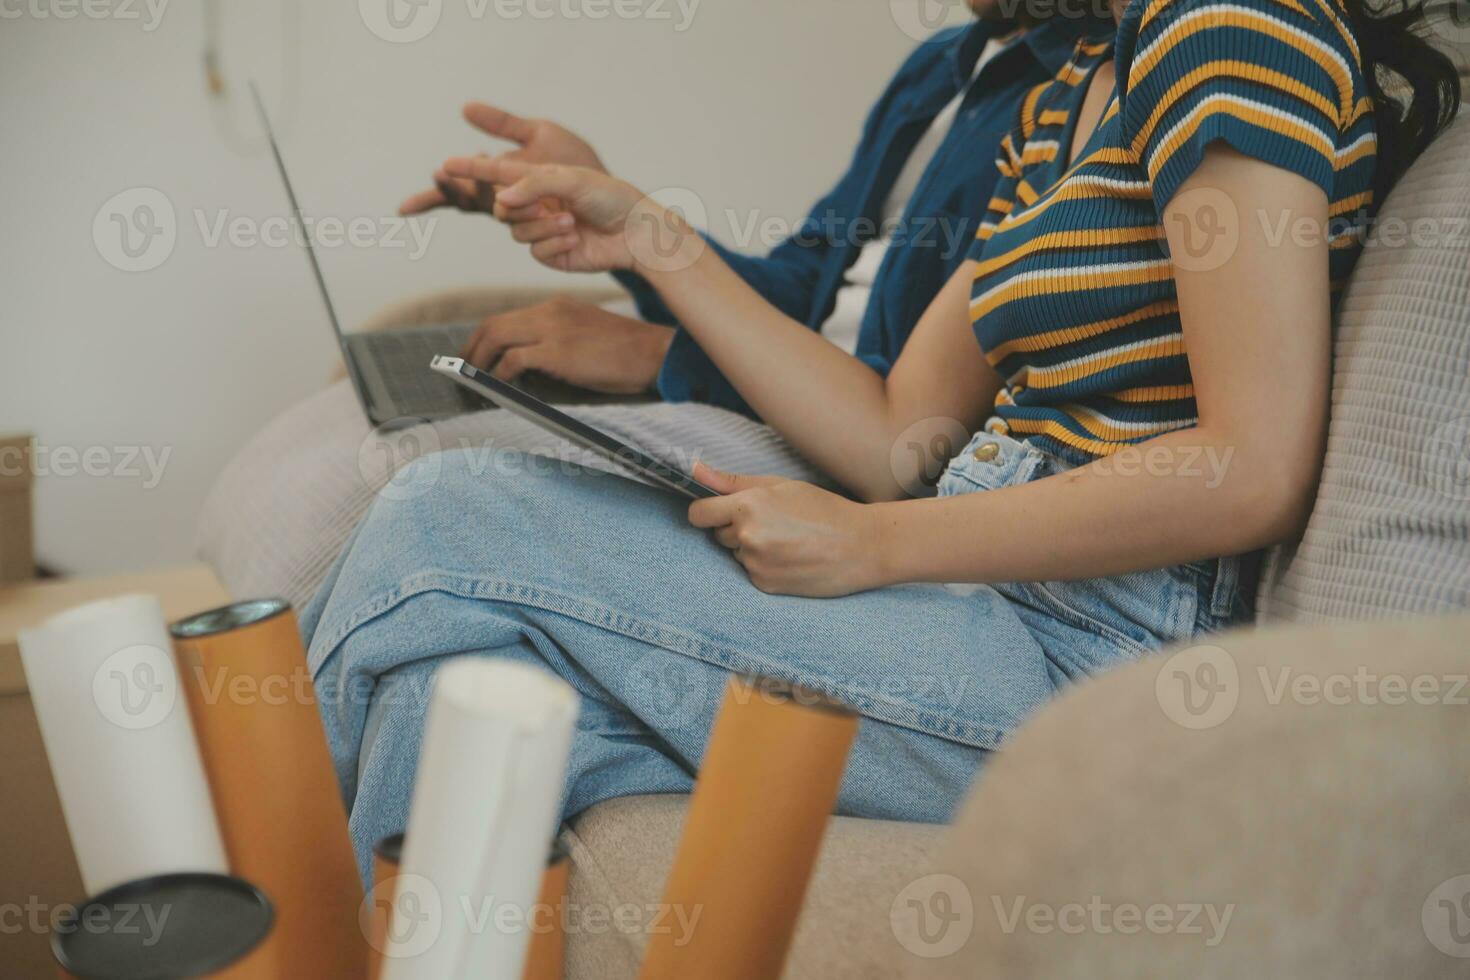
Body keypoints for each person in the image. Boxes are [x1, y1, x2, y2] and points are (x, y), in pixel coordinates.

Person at [302, 0, 1460, 877]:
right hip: (988, 606)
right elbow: (898, 432)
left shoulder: (1233, 35)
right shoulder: (1075, 92)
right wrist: (652, 239)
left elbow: (1251, 465)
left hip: (1105, 661)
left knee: (441, 516)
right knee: (459, 686)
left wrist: (876, 543)